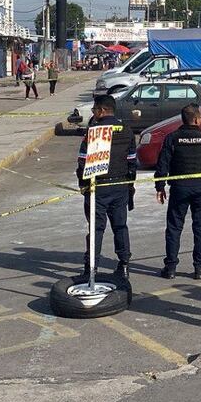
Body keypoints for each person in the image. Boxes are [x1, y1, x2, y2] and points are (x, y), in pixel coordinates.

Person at [154, 104, 201, 280]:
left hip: (179, 189)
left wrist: (160, 186)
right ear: (195, 119)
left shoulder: (172, 138)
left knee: (174, 228)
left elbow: (163, 163)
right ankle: (200, 268)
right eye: (200, 117)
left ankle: (170, 268)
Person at [75, 94, 137, 280]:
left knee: (96, 228)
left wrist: (83, 185)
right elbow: (132, 161)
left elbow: (82, 161)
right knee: (120, 226)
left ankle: (91, 267)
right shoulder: (126, 129)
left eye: (94, 110)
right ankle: (124, 264)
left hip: (97, 187)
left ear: (102, 110)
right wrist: (130, 185)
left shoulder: (94, 131)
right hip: (120, 184)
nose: (93, 113)